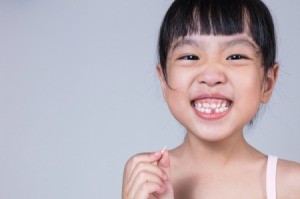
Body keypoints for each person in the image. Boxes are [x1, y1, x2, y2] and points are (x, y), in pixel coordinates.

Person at [122, 0, 300, 198]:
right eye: (190, 57)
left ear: (267, 82)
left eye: (236, 56)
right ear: (163, 80)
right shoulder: (147, 176)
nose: (211, 75)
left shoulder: (291, 183)